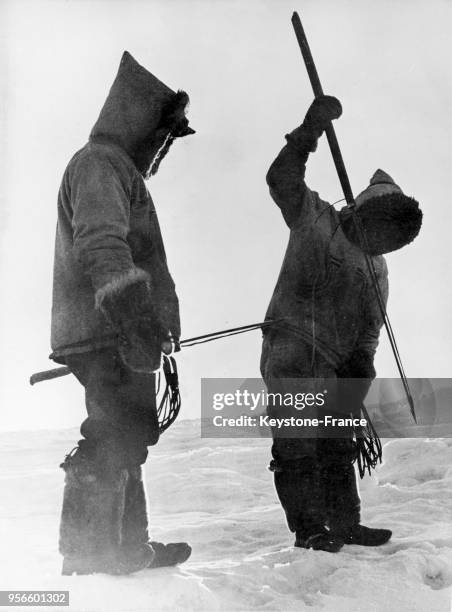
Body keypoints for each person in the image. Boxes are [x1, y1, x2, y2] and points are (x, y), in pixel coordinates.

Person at [50, 51, 195, 575]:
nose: (162, 146)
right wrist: (135, 317)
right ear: (136, 122)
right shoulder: (100, 164)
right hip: (108, 329)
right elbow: (102, 243)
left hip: (115, 330)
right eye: (161, 134)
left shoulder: (114, 168)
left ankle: (129, 548)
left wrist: (147, 324)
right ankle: (88, 555)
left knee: (127, 434)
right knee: (111, 433)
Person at [260, 95, 422, 553]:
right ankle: (309, 529)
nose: (382, 243)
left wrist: (361, 367)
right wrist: (308, 131)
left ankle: (345, 523)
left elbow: (370, 328)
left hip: (337, 364)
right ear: (363, 214)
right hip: (292, 349)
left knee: (337, 440)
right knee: (297, 442)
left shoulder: (379, 269)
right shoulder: (315, 219)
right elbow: (280, 179)